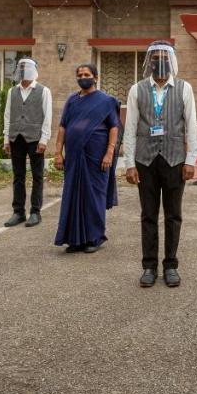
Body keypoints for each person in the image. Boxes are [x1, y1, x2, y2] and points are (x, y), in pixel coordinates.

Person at [121, 41, 197, 288]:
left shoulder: (185, 88)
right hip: (145, 161)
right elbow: (130, 128)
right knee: (148, 215)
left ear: (172, 60)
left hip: (175, 160)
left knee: (174, 215)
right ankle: (148, 267)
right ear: (149, 61)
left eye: (164, 57)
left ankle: (171, 266)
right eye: (155, 57)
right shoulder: (137, 89)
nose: (159, 61)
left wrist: (191, 160)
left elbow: (191, 126)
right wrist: (129, 164)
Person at [53, 64, 120, 253]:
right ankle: (75, 239)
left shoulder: (106, 101)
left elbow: (114, 127)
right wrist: (58, 152)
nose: (83, 77)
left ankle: (94, 238)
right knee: (73, 195)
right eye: (80, 75)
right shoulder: (72, 101)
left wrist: (109, 152)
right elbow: (63, 127)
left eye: (87, 74)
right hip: (74, 156)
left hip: (97, 157)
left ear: (95, 77)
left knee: (94, 197)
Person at [2, 58, 52, 227]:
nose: (24, 70)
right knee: (18, 175)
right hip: (16, 138)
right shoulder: (12, 91)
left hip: (35, 139)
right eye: (21, 67)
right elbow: (7, 115)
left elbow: (47, 117)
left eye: (27, 67)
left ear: (35, 70)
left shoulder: (44, 91)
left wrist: (44, 139)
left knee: (37, 176)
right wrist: (6, 139)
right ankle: (18, 212)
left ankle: (35, 212)